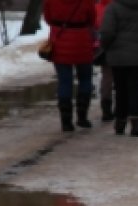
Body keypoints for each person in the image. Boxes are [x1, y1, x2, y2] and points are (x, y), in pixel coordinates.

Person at [98, 0, 138, 136]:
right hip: (137, 57)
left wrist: (106, 46)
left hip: (117, 58)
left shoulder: (112, 9)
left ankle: (120, 122)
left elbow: (107, 32)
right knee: (136, 90)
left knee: (121, 90)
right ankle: (137, 124)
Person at [43, 0, 97, 132]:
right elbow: (92, 18)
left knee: (64, 81)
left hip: (60, 41)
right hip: (82, 42)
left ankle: (66, 121)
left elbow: (48, 18)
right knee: (85, 79)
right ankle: (82, 117)